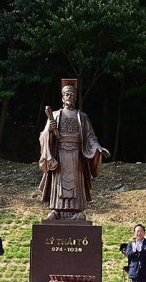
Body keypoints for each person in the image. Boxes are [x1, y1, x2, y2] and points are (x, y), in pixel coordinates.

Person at [38, 83, 110, 220]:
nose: (69, 97)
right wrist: (50, 131)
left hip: (77, 154)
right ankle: (56, 210)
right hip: (59, 154)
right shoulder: (54, 115)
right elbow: (43, 135)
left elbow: (90, 136)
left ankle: (77, 211)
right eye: (66, 94)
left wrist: (97, 147)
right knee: (59, 182)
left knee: (76, 183)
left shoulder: (82, 117)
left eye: (72, 95)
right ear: (62, 97)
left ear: (75, 97)